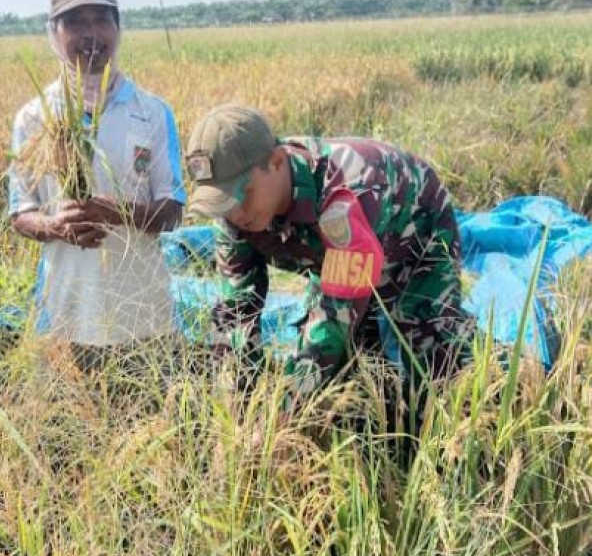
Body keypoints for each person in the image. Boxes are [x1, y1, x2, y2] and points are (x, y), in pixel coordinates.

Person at [185, 104, 475, 413]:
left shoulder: (346, 192)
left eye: (245, 193)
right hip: (331, 258)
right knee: (347, 379)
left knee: (432, 355)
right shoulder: (234, 214)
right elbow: (236, 311)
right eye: (222, 201)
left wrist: (285, 409)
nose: (235, 212)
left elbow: (335, 316)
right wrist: (238, 410)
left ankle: (507, 382)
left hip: (414, 231)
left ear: (277, 162)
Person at [8, 0, 186, 368]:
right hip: (65, 312)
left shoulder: (152, 113)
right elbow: (20, 213)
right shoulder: (34, 118)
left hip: (142, 312)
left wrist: (117, 212)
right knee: (71, 423)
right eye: (75, 22)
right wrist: (57, 226)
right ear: (54, 33)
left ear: (119, 28)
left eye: (101, 19)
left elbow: (173, 211)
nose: (91, 34)